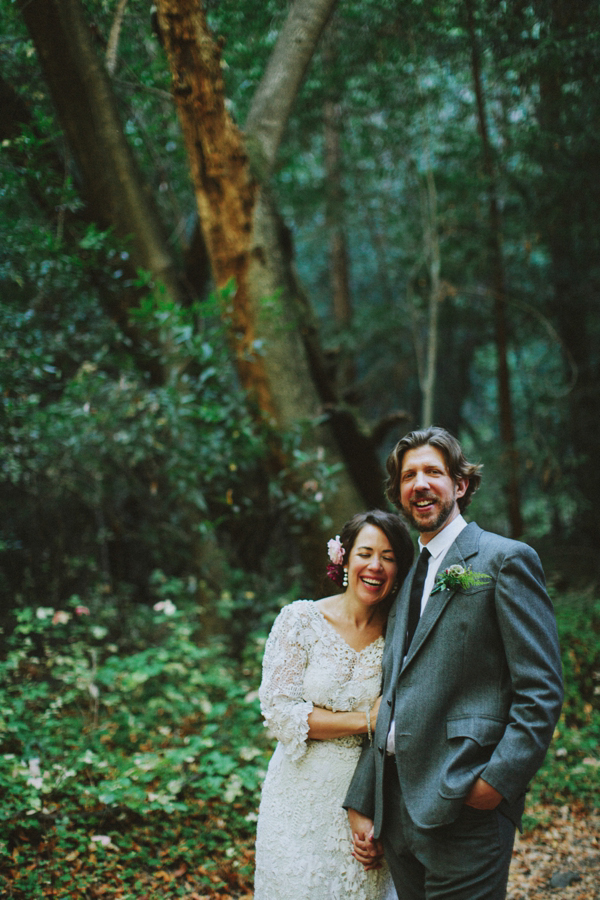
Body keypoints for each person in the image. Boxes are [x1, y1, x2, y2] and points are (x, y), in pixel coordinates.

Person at [345, 426, 564, 900]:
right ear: (400, 493)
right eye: (408, 476)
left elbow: (541, 689)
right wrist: (365, 798)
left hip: (467, 806)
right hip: (398, 811)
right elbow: (392, 694)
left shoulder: (504, 560)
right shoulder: (404, 579)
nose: (419, 484)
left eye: (433, 472)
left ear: (460, 485)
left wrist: (494, 783)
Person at [254, 510, 414, 900]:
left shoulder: (402, 635)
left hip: (366, 797)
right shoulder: (300, 620)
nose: (375, 566)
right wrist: (366, 720)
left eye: (389, 557)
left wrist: (382, 814)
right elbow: (280, 714)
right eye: (366, 553)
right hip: (297, 799)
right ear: (344, 558)